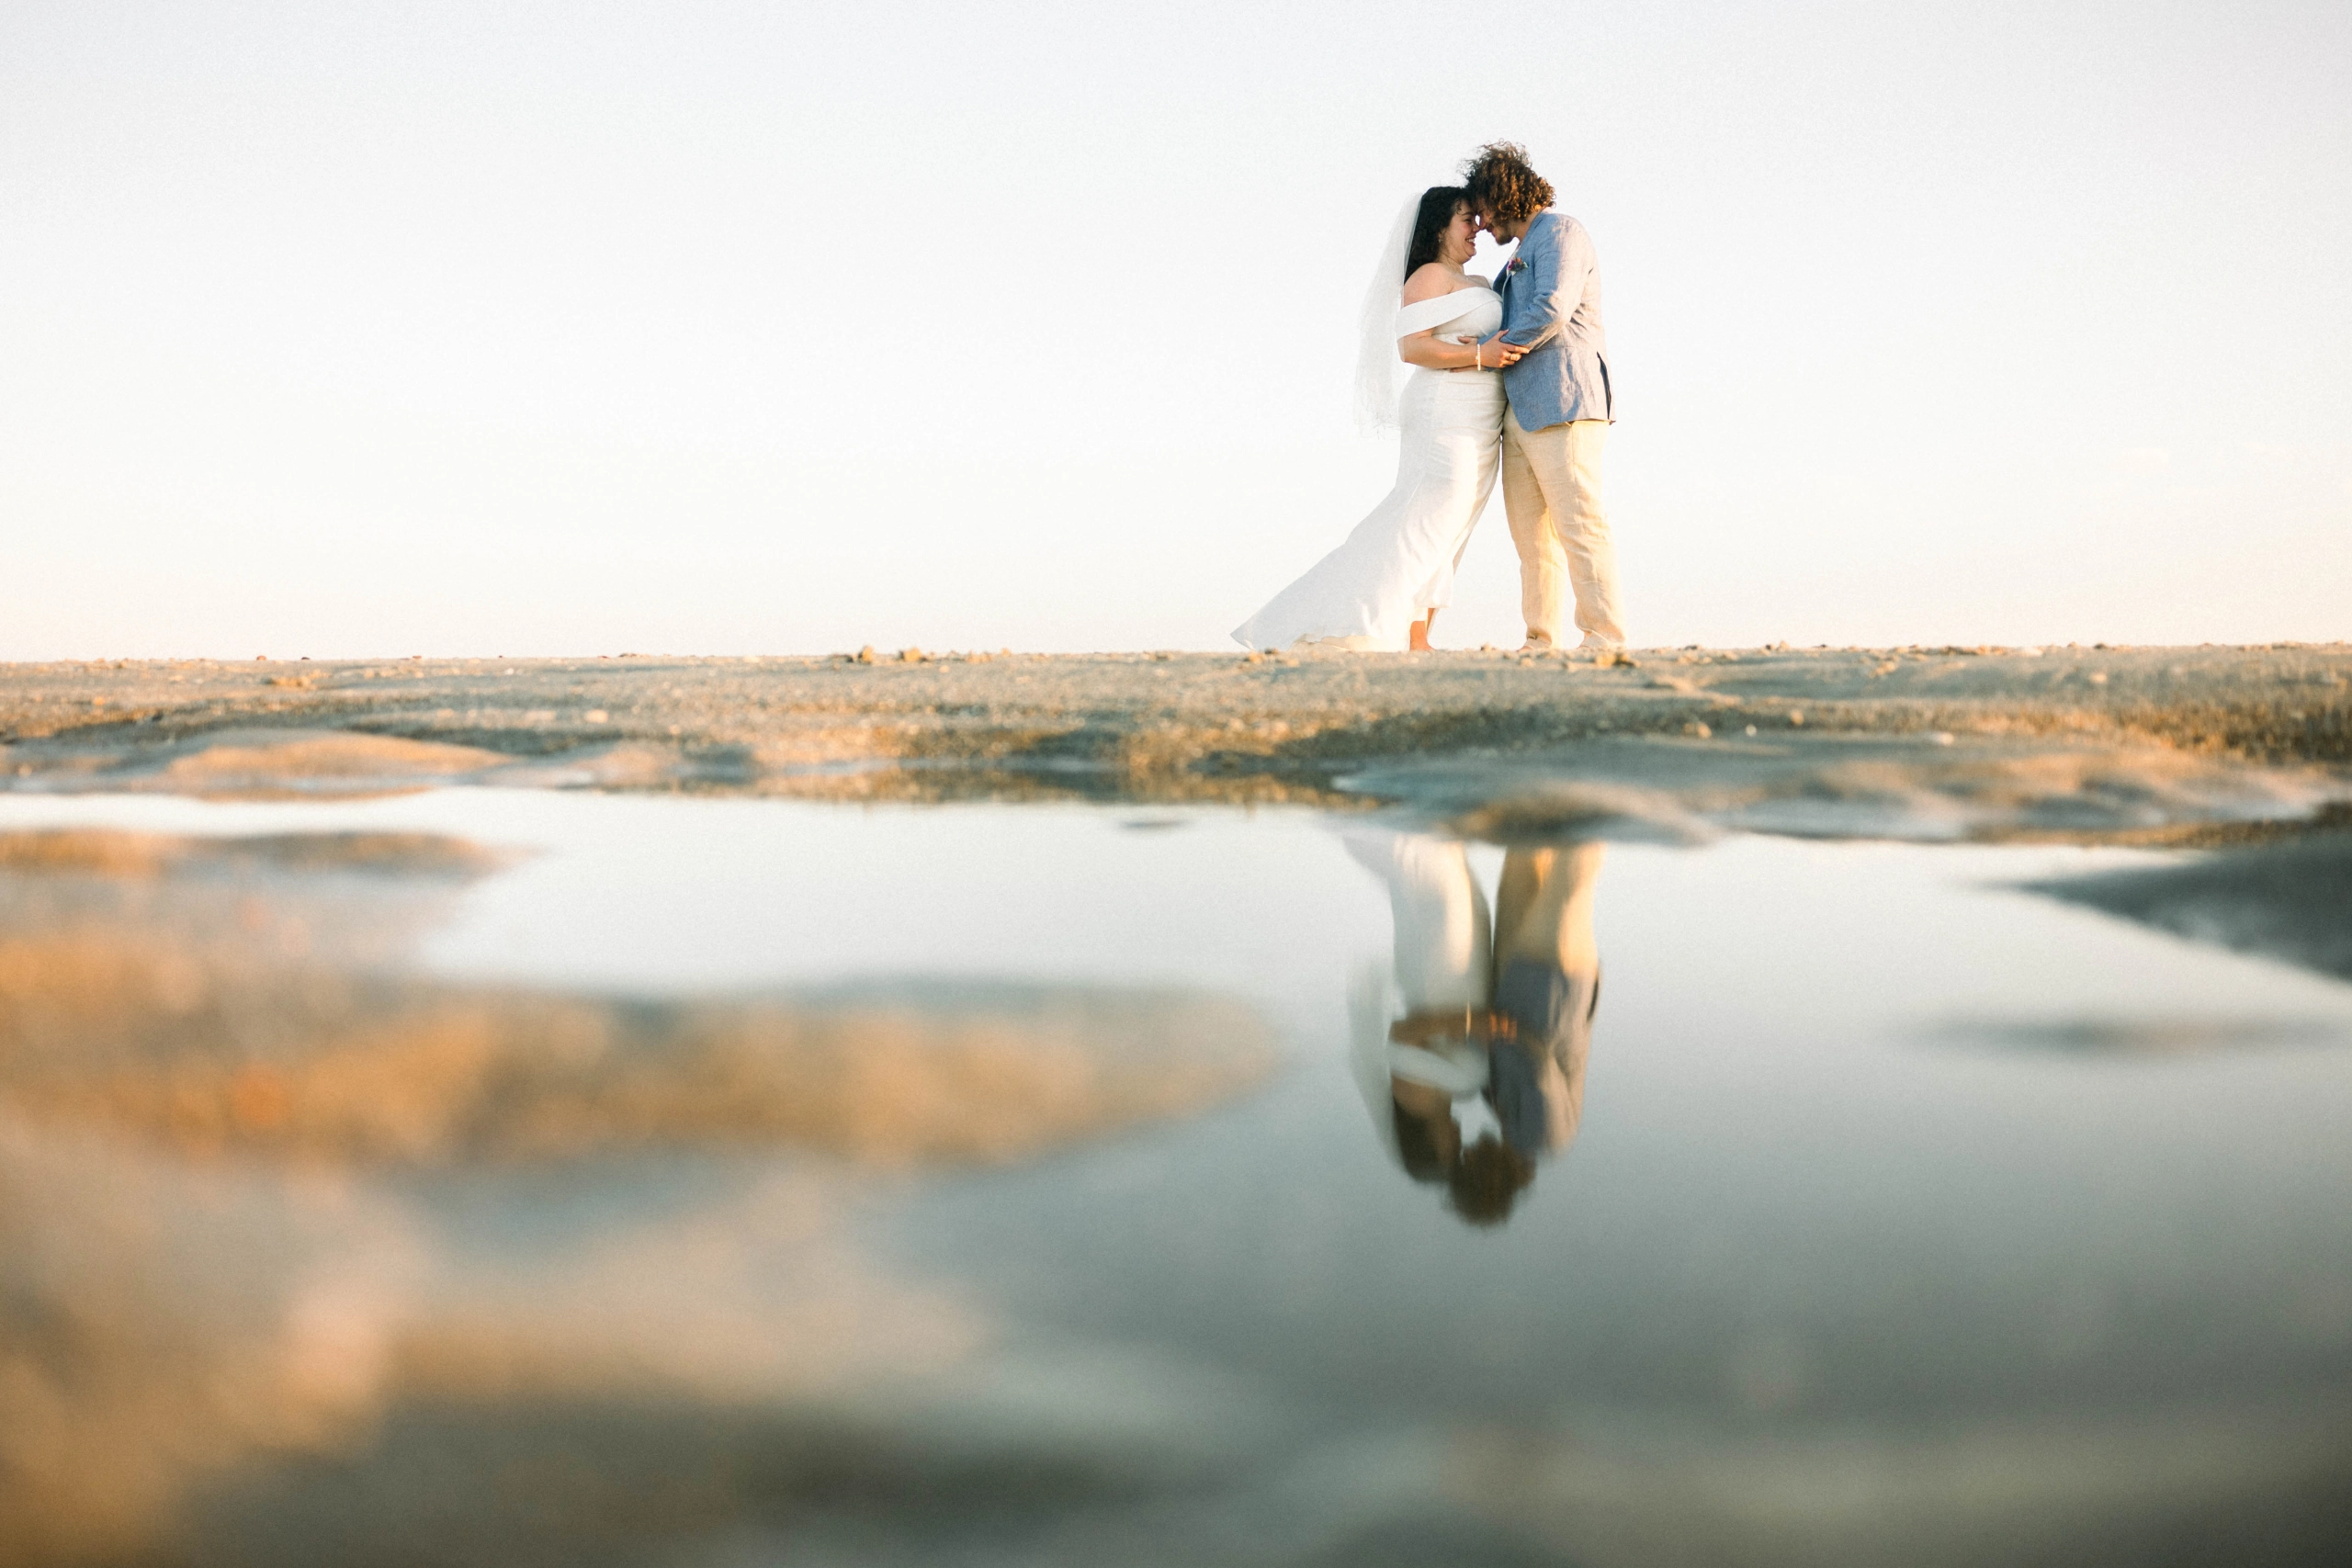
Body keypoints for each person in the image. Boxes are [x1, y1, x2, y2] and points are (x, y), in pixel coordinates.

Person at [1232, 187, 1527, 653]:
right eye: (1467, 220)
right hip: (1444, 409)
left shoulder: (1475, 281)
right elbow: (1412, 347)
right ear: (1439, 228)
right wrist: (1478, 353)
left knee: (1455, 522)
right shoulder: (1428, 276)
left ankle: (1418, 636)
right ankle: (1348, 618)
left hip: (1481, 416)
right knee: (1428, 514)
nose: (1477, 229)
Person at [1464, 141, 1628, 650]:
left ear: (1501, 193)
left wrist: (1495, 348)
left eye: (1482, 209)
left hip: (1565, 401)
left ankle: (1605, 634)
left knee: (1579, 522)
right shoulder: (1517, 253)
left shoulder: (1560, 232)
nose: (1481, 222)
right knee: (1532, 539)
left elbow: (1553, 306)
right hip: (1521, 412)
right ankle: (1540, 638)